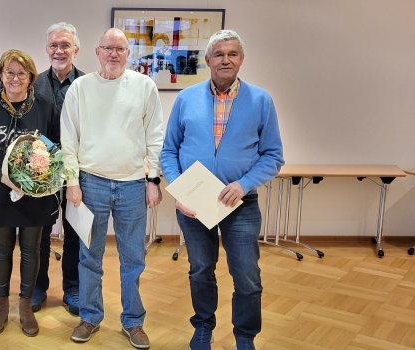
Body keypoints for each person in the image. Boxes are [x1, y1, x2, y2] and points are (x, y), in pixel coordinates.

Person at [160, 29, 284, 350]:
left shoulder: (260, 100)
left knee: (246, 275)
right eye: (219, 54)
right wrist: (180, 191)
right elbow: (168, 152)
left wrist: (243, 185)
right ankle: (203, 326)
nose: (225, 59)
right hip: (195, 205)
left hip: (240, 205)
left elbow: (273, 156)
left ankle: (245, 336)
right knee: (200, 270)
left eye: (232, 54)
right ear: (208, 60)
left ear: (241, 59)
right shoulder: (186, 99)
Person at [61, 28, 163, 349]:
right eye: (108, 48)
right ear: (97, 52)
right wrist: (72, 183)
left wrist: (153, 179)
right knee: (89, 256)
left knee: (133, 256)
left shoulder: (144, 87)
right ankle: (90, 316)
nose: (114, 54)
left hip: (133, 184)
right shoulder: (80, 88)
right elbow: (69, 139)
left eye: (120, 49)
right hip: (90, 184)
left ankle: (133, 321)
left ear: (128, 54)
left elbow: (154, 136)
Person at [0, 49, 59, 337]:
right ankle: (1, 304)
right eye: (9, 72)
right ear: (0, 76)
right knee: (3, 248)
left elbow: (53, 144)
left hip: (35, 192)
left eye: (21, 73)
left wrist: (37, 172)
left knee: (32, 249)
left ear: (31, 77)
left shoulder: (44, 107)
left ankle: (24, 305)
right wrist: (4, 177)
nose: (15, 78)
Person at [31, 22, 84, 315]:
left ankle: (73, 288)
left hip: (78, 171)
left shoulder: (89, 83)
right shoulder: (34, 83)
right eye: (54, 45)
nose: (59, 50)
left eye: (65, 45)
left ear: (75, 49)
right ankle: (39, 286)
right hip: (42, 171)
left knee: (74, 230)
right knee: (40, 231)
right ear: (46, 49)